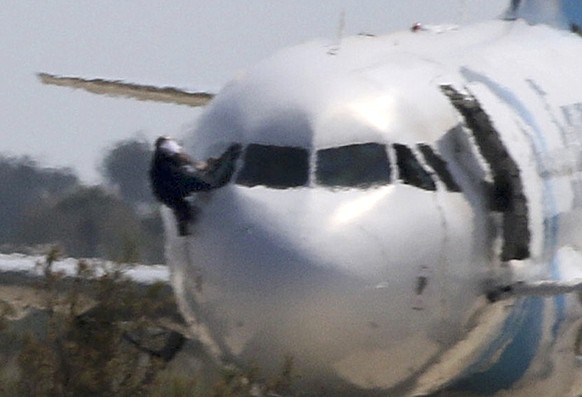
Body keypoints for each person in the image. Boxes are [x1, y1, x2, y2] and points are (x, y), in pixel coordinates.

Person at [149, 136, 241, 236]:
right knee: (205, 187)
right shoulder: (168, 167)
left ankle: (185, 225)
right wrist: (206, 181)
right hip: (170, 187)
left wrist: (202, 167)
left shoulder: (163, 162)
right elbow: (192, 177)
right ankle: (186, 225)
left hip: (167, 191)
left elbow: (187, 163)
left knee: (183, 209)